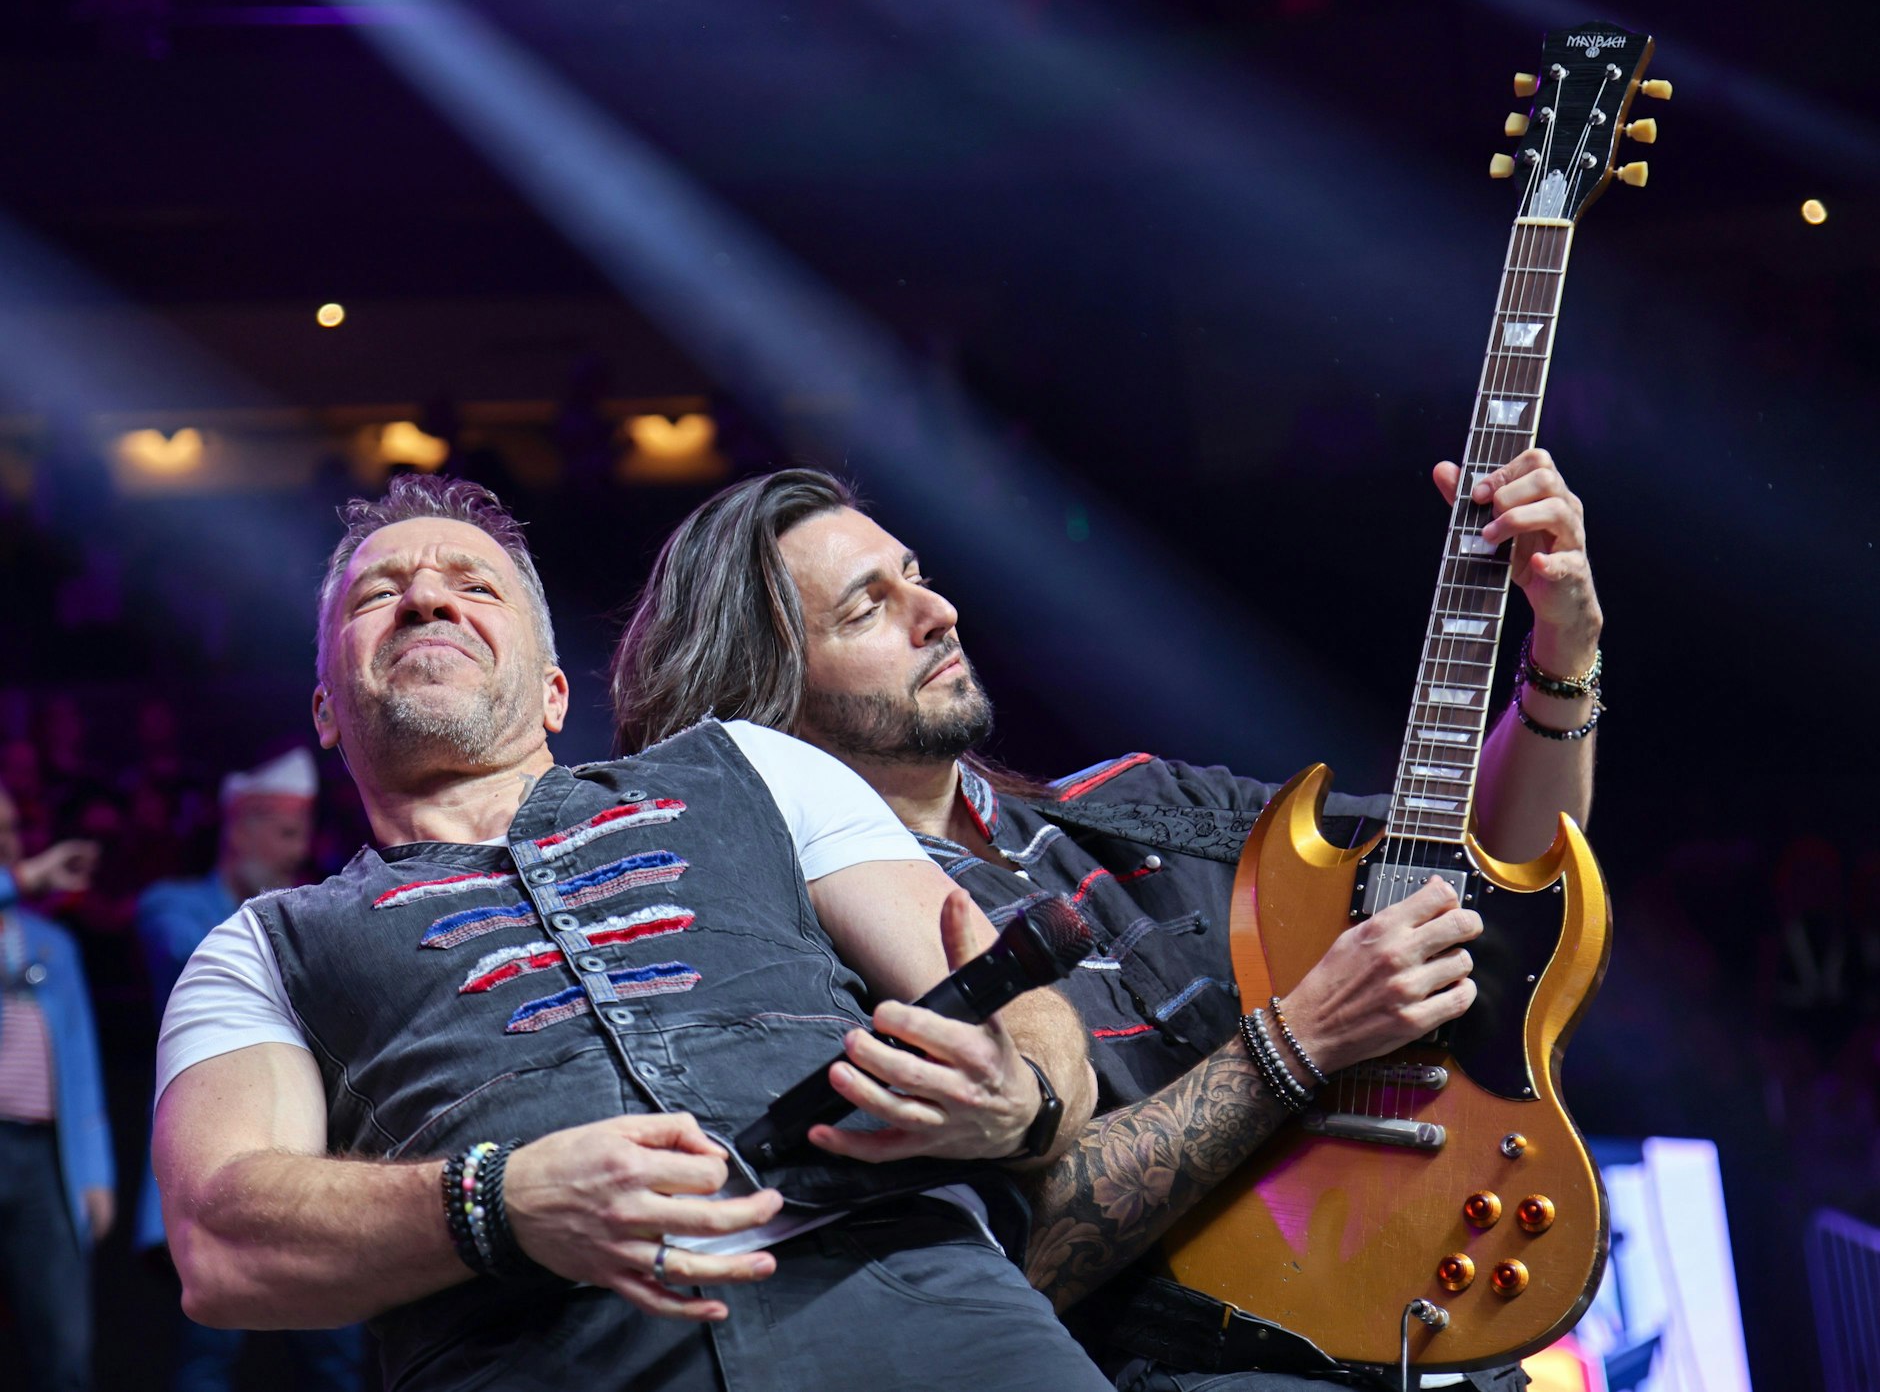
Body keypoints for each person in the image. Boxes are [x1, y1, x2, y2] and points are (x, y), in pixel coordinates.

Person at [608, 449, 1602, 1391]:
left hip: (1451, 1341)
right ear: (763, 695)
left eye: (915, 576)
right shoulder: (809, 950)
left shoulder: (1142, 801)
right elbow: (1023, 1253)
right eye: (868, 608)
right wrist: (1301, 1039)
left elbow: (1476, 863)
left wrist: (1560, 650)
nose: (938, 613)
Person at [152, 474, 1111, 1392]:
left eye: (474, 587)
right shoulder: (256, 950)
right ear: (325, 709)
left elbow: (1019, 1005)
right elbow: (220, 1244)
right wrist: (494, 1204)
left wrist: (1021, 1100)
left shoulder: (753, 766)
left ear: (556, 694)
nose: (427, 604)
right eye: (380, 594)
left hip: (926, 1316)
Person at [135, 747, 365, 1392]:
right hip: (214, 1170)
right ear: (243, 826)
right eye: (287, 833)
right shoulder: (171, 905)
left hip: (312, 1171)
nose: (299, 851)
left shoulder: (311, 913)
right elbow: (203, 966)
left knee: (336, 1359)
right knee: (207, 1359)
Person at [0, 781, 113, 1392]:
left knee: (63, 1349)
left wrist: (94, 1175)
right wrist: (22, 879)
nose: (7, 842)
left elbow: (81, 1062)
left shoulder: (51, 944)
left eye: (11, 828)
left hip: (43, 1159)